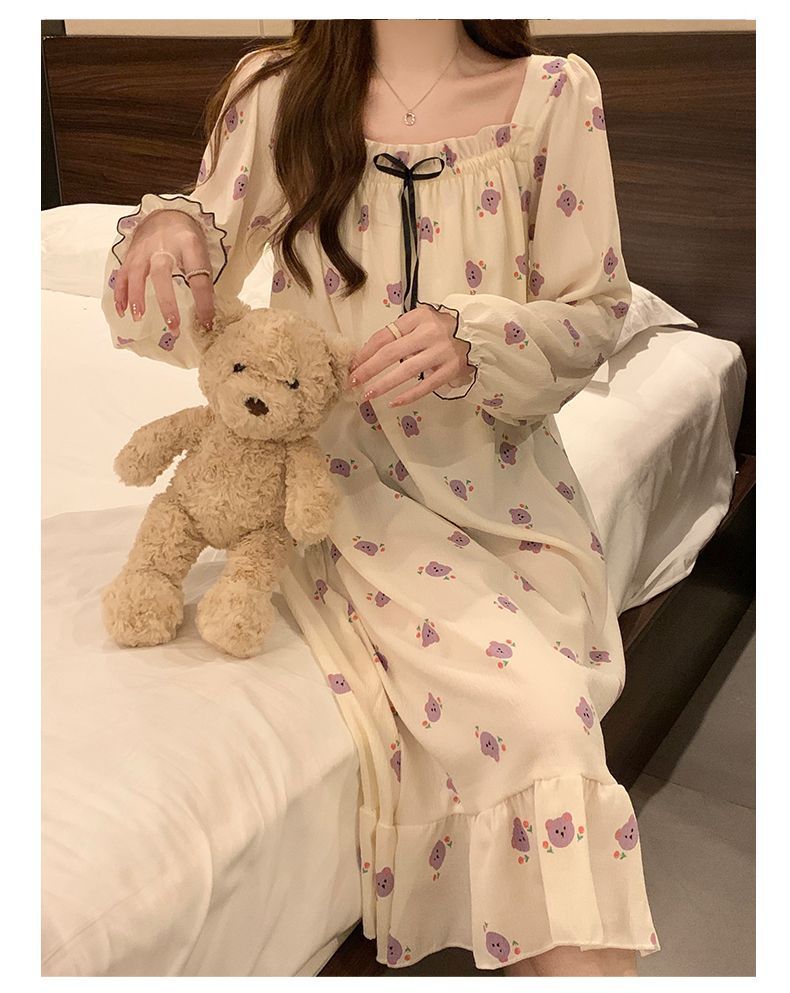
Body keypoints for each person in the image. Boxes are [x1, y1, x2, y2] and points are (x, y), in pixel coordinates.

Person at [101, 19, 660, 977]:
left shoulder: (556, 95)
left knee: (544, 708)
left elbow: (596, 310)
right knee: (540, 717)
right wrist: (163, 236)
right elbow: (190, 307)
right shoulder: (274, 94)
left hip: (499, 483)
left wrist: (476, 339)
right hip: (331, 486)